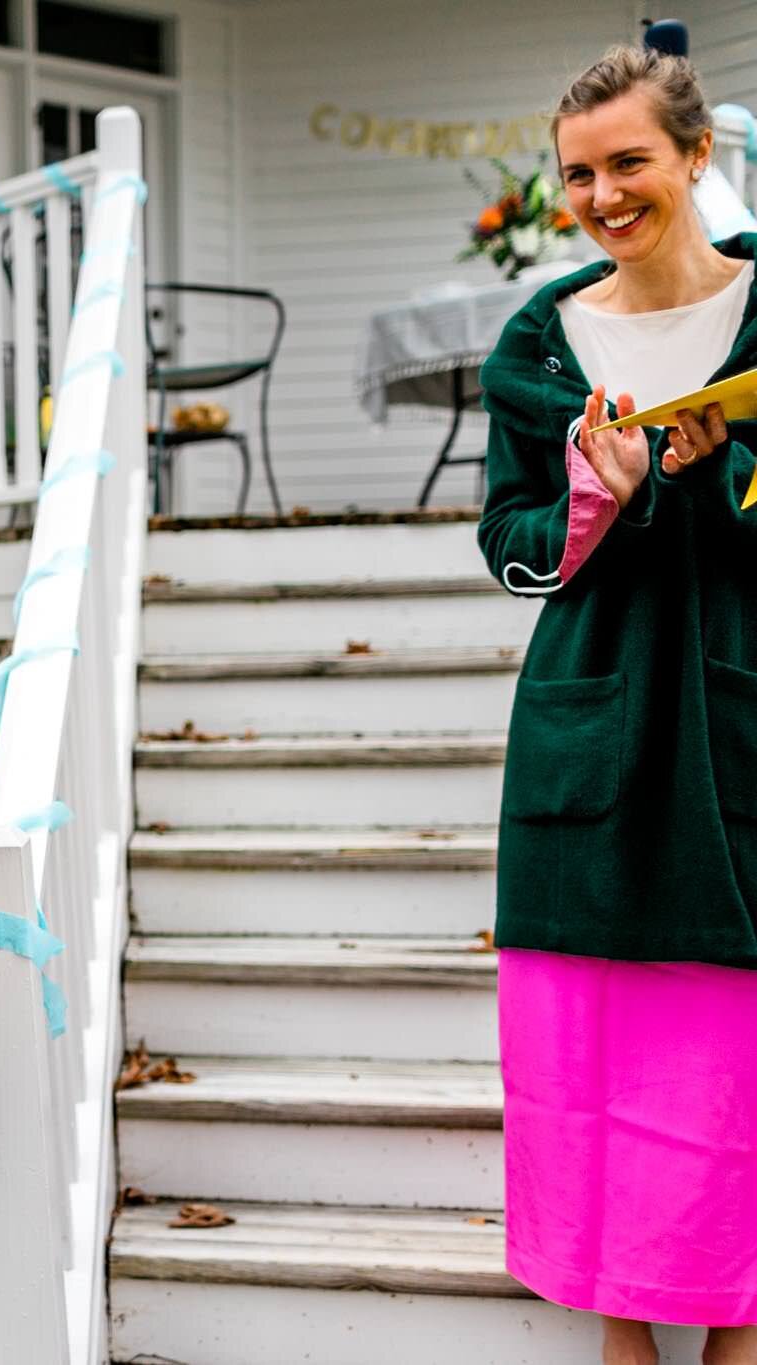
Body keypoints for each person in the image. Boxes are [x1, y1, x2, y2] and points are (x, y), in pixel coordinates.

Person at [477, 43, 757, 1365]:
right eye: (578, 172)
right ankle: (620, 1337)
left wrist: (717, 475)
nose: (601, 193)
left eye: (628, 161)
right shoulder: (539, 346)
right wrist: (597, 500)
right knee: (587, 1058)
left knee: (726, 1063)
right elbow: (512, 540)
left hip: (738, 720)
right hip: (586, 729)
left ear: (696, 156)